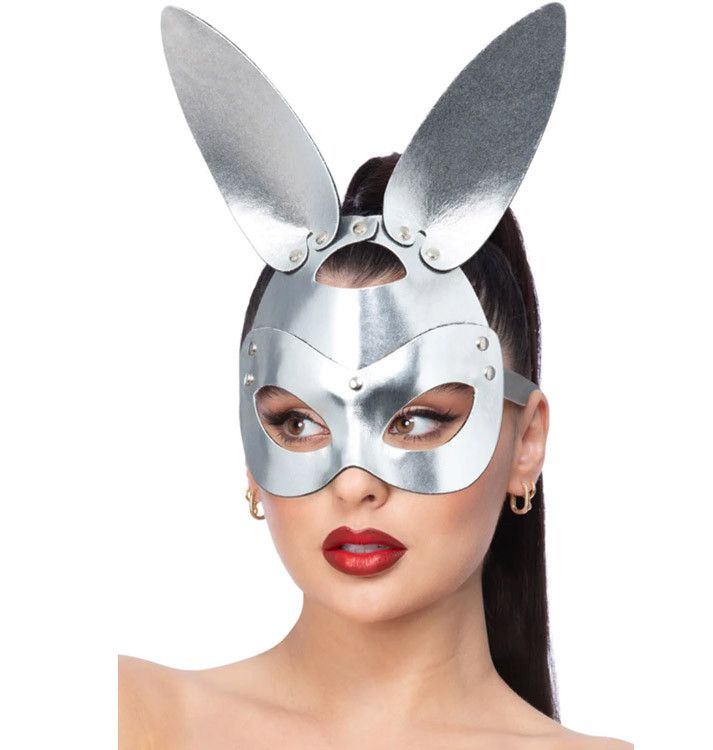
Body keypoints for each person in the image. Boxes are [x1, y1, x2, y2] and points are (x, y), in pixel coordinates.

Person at [120, 6, 632, 748]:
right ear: (250, 448)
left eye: (418, 419)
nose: (355, 484)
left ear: (526, 444)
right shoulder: (131, 717)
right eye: (298, 421)